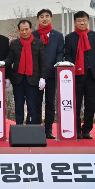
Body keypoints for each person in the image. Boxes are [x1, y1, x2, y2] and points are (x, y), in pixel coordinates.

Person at [64, 11, 95, 139]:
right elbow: (68, 54)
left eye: (84, 20)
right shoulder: (70, 37)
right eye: (79, 20)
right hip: (77, 75)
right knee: (76, 104)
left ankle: (87, 130)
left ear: (88, 21)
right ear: (75, 22)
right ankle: (77, 130)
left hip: (91, 74)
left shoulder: (94, 35)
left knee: (90, 104)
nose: (82, 22)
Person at [4, 20, 47, 126]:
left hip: (33, 79)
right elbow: (10, 59)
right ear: (18, 30)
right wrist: (2, 63)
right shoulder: (14, 43)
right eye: (22, 30)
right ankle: (19, 126)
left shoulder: (39, 43)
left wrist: (43, 78)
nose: (24, 32)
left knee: (32, 105)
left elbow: (43, 63)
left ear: (31, 29)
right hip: (18, 79)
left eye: (26, 29)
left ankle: (30, 127)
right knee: (18, 105)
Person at [32, 9, 64, 139]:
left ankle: (48, 129)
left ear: (51, 18)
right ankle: (37, 128)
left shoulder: (58, 35)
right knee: (36, 102)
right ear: (38, 19)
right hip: (36, 74)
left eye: (47, 16)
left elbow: (60, 52)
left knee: (50, 102)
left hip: (52, 73)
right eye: (41, 17)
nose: (44, 19)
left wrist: (57, 64)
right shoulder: (33, 34)